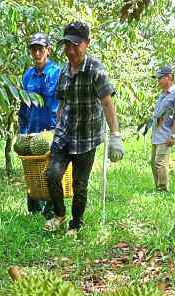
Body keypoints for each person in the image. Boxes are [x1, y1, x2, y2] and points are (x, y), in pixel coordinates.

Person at [43, 21, 124, 237]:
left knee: (80, 184)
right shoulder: (63, 72)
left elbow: (107, 103)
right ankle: (59, 215)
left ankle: (76, 224)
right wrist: (56, 127)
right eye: (67, 45)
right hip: (64, 134)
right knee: (51, 175)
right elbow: (62, 103)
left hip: (87, 137)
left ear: (87, 44)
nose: (70, 51)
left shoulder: (96, 71)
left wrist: (115, 135)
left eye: (75, 45)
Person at [18, 32, 61, 217]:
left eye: (40, 49)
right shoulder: (28, 75)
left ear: (48, 50)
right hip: (31, 129)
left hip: (51, 129)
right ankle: (34, 210)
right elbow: (23, 104)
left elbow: (61, 102)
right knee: (32, 169)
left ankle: (50, 210)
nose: (37, 53)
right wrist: (22, 129)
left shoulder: (57, 72)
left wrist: (58, 129)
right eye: (34, 49)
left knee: (50, 171)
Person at [147, 65, 175, 192]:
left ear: (168, 77)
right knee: (153, 162)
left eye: (160, 78)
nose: (158, 81)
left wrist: (173, 135)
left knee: (160, 162)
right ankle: (158, 187)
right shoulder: (162, 94)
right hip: (157, 132)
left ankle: (163, 189)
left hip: (166, 133)